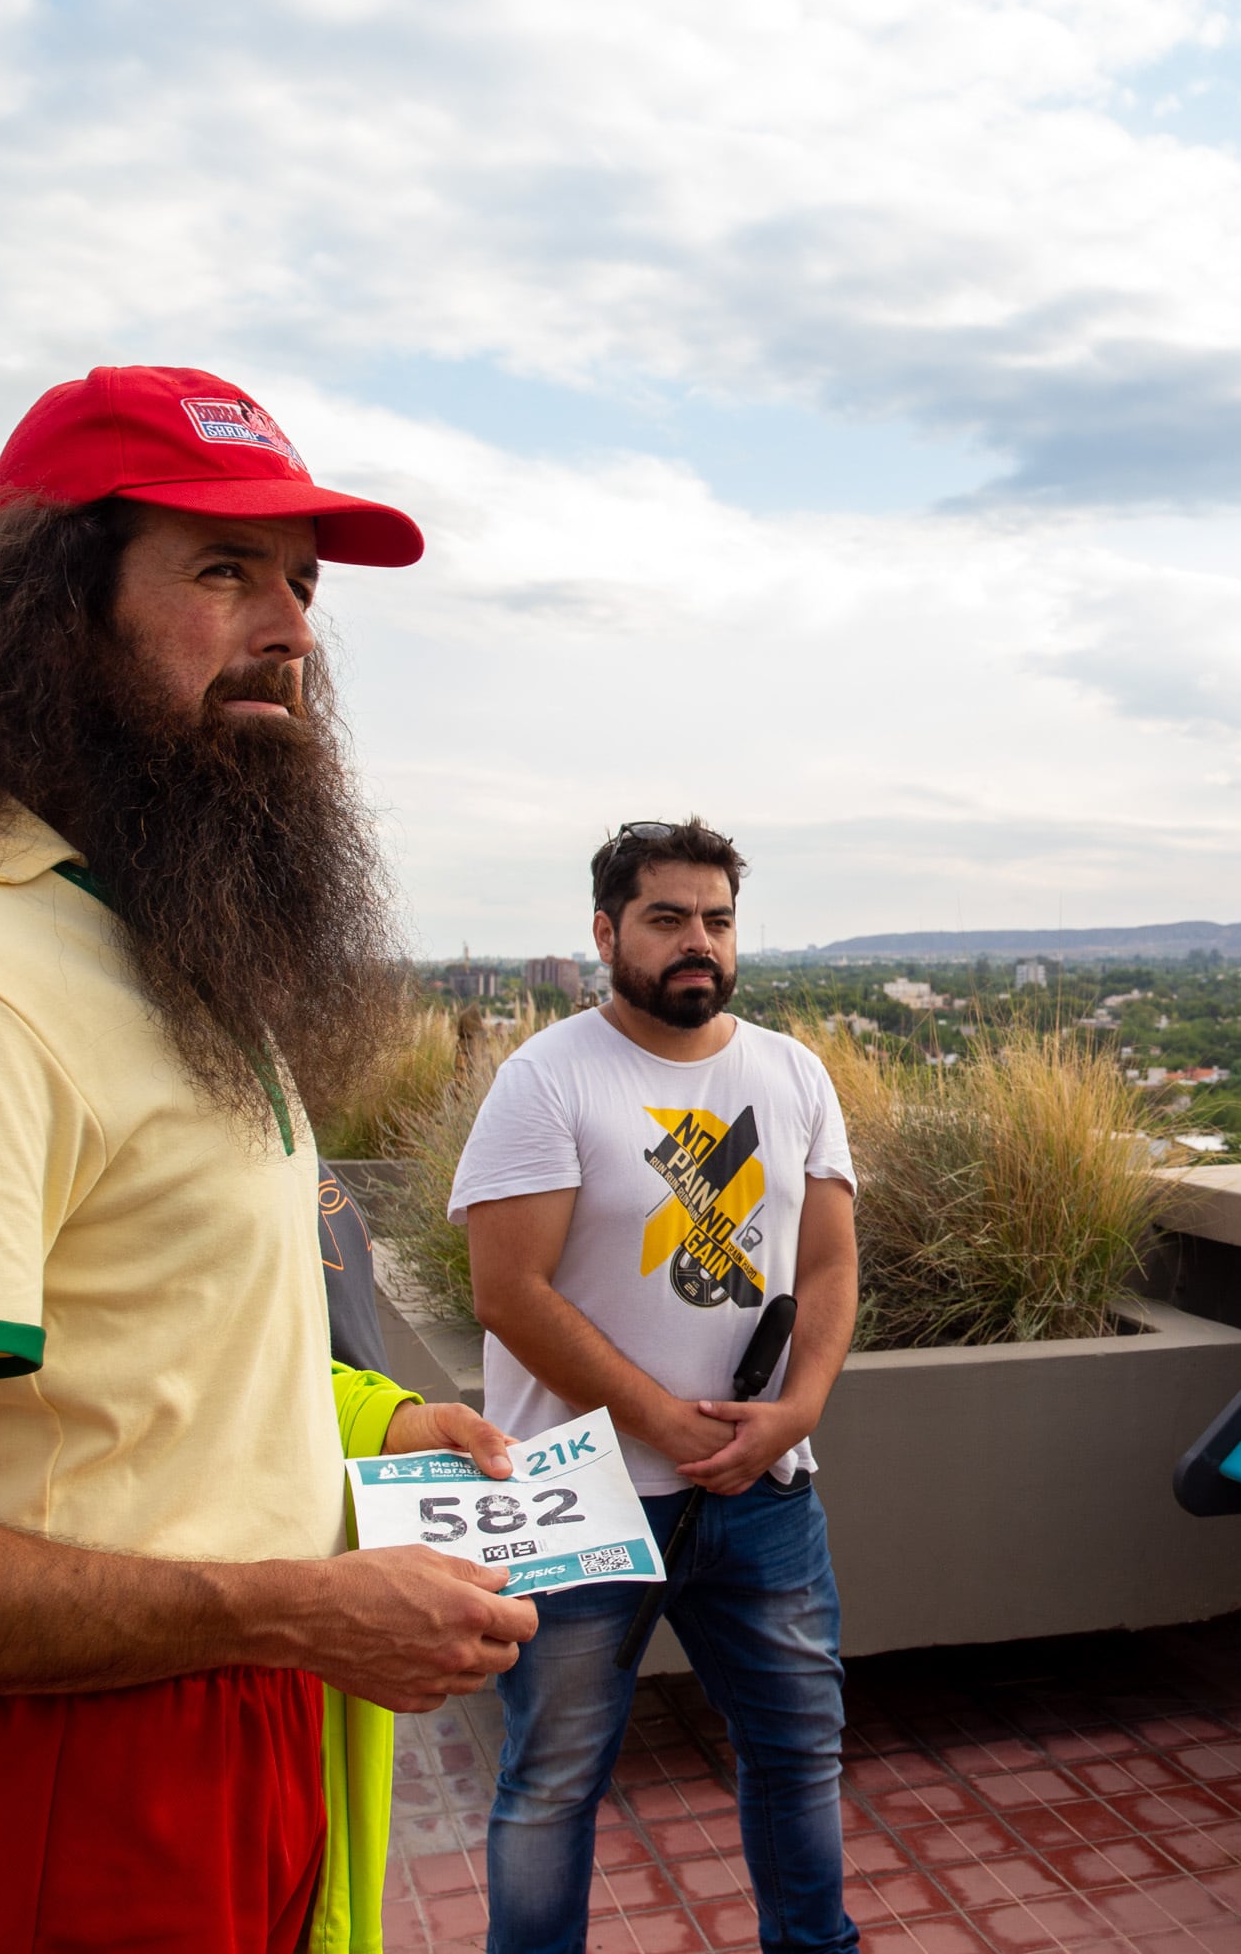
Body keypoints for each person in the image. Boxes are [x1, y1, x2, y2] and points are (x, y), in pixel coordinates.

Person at [0, 366, 540, 1953]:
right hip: (56, 1795)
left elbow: (143, 1354)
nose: (291, 631)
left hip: (238, 1740)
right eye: (222, 572)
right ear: (45, 611)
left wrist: (373, 1427)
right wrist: (289, 1606)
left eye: (300, 583)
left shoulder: (145, 934)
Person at [454, 820, 861, 1954]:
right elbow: (508, 1290)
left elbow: (827, 1264)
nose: (699, 943)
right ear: (606, 930)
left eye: (717, 920)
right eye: (668, 918)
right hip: (584, 1493)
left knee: (799, 1751)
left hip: (764, 1490)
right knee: (552, 1779)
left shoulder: (792, 1072)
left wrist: (802, 1404)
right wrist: (659, 1418)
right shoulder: (546, 1078)